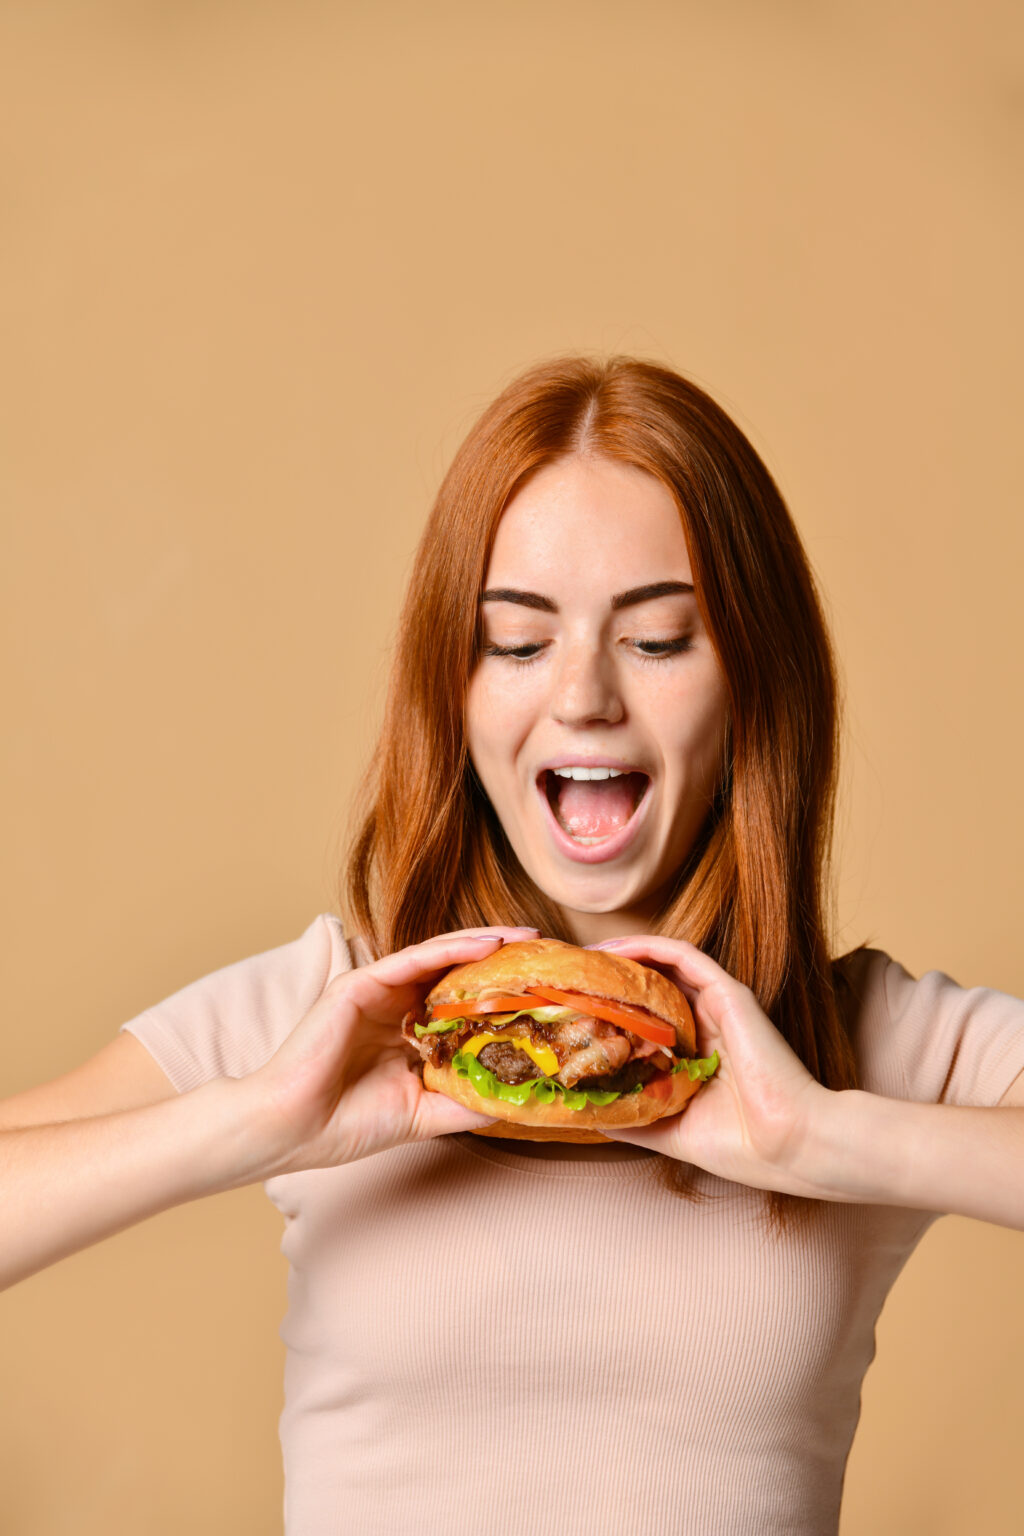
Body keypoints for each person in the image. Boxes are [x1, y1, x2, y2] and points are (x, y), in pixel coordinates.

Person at [3, 354, 1023, 1535]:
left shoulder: (856, 1039)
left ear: (755, 680)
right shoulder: (333, 1012)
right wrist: (252, 1122)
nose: (584, 694)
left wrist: (833, 1137)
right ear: (455, 687)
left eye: (659, 639)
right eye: (516, 642)